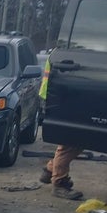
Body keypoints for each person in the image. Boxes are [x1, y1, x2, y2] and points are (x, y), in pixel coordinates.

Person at [38, 58, 84, 200]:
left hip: (59, 95)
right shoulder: (63, 54)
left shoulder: (58, 52)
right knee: (70, 141)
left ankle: (50, 170)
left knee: (79, 140)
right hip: (61, 97)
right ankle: (59, 184)